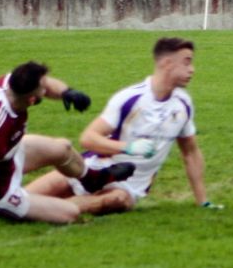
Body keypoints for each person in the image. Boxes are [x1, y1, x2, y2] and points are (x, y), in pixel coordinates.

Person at [25, 37, 221, 214]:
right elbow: (89, 138)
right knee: (25, 195)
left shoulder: (183, 104)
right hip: (95, 167)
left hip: (129, 186)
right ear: (167, 63)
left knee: (117, 200)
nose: (192, 69)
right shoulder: (130, 98)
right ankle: (18, 206)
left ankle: (40, 211)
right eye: (187, 62)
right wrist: (128, 147)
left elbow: (191, 153)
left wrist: (202, 201)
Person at [0, 61, 135, 230]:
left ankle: (93, 179)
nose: (48, 89)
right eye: (43, 88)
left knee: (62, 148)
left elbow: (46, 84)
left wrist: (67, 92)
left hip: (7, 156)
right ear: (31, 98)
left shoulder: (10, 83)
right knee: (70, 214)